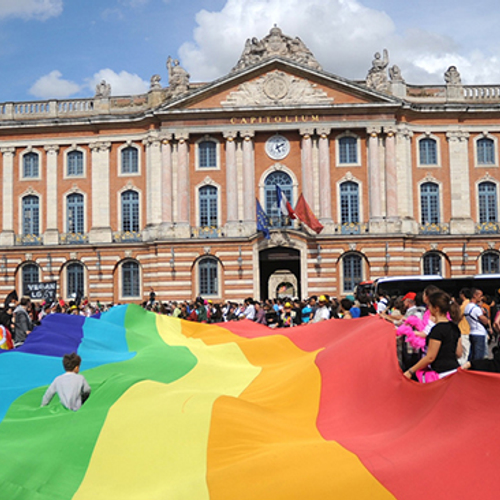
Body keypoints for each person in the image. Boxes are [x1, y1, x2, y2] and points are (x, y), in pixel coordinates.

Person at [404, 291, 462, 381]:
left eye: (430, 306)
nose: (428, 309)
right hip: (454, 370)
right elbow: (459, 352)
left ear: (436, 308)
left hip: (440, 373)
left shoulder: (437, 330)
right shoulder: (454, 327)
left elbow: (430, 357)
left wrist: (410, 371)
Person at [465, 288, 490, 361]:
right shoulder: (476, 308)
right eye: (480, 295)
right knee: (479, 357)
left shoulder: (467, 306)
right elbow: (485, 321)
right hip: (479, 333)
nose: (482, 297)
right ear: (475, 295)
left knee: (472, 354)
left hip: (472, 331)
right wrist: (485, 316)